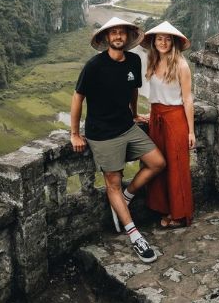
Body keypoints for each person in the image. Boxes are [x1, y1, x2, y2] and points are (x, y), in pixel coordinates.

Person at [69, 17, 165, 263]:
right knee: (113, 182)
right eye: (114, 33)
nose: (118, 36)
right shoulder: (94, 66)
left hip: (126, 126)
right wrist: (74, 134)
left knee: (157, 162)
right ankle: (135, 236)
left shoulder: (133, 60)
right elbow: (77, 98)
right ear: (106, 39)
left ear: (127, 37)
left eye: (122, 32)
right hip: (102, 134)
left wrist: (133, 115)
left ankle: (126, 197)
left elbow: (132, 90)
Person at [140, 21, 196, 229]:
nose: (163, 42)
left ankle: (180, 215)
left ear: (173, 42)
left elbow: (187, 99)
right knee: (160, 165)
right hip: (157, 118)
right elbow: (156, 94)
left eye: (167, 39)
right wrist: (150, 113)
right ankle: (164, 207)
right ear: (154, 42)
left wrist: (191, 131)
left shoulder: (181, 65)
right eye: (159, 38)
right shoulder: (152, 61)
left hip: (175, 119)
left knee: (177, 166)